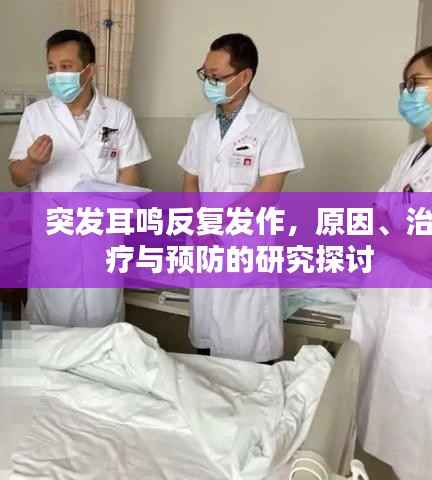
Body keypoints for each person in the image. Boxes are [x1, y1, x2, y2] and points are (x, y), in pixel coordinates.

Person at [352, 42, 432, 480]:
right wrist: (398, 241)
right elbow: (375, 216)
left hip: (427, 317)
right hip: (390, 303)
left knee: (424, 446)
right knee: (387, 424)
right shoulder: (414, 153)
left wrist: (396, 240)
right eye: (404, 85)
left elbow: (424, 249)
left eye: (415, 83)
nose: (406, 94)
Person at [9, 30, 151, 327]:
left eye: (66, 67)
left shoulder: (118, 114)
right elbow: (17, 176)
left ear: (88, 70)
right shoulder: (36, 114)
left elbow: (130, 171)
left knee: (103, 323)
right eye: (51, 67)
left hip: (103, 236)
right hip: (55, 238)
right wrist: (33, 162)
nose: (56, 75)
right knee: (52, 326)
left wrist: (117, 221)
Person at [178, 33, 304, 362]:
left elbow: (269, 189)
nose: (209, 83)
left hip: (244, 243)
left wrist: (214, 225)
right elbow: (190, 180)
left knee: (247, 350)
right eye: (205, 75)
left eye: (216, 77)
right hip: (205, 243)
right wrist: (197, 225)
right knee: (205, 345)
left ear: (244, 76)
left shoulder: (273, 122)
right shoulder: (201, 125)